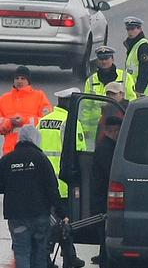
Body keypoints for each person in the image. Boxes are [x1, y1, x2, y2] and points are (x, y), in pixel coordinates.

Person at [0, 125, 68, 268]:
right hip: (40, 214)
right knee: (39, 252)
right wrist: (62, 213)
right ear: (35, 139)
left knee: (21, 252)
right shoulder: (41, 160)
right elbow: (52, 189)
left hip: (16, 215)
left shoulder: (7, 160)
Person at [36, 88, 86, 268]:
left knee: (48, 222)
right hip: (63, 183)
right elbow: (79, 153)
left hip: (42, 183)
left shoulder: (43, 121)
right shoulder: (71, 122)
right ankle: (52, 258)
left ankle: (68, 256)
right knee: (64, 222)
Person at [90, 115, 122, 268]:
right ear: (115, 131)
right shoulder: (107, 149)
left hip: (101, 201)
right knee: (105, 242)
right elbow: (112, 174)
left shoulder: (104, 146)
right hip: (103, 202)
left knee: (105, 242)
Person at [0, 66, 52, 155]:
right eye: (17, 78)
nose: (19, 81)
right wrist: (9, 123)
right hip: (10, 151)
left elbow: (46, 122)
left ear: (28, 81)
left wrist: (24, 121)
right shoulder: (4, 99)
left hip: (33, 150)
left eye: (23, 78)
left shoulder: (39, 96)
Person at [122, 17, 148, 97]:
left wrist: (139, 90)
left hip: (143, 93)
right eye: (128, 29)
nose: (130, 32)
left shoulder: (143, 47)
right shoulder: (133, 45)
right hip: (133, 91)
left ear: (140, 29)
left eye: (133, 29)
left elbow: (146, 70)